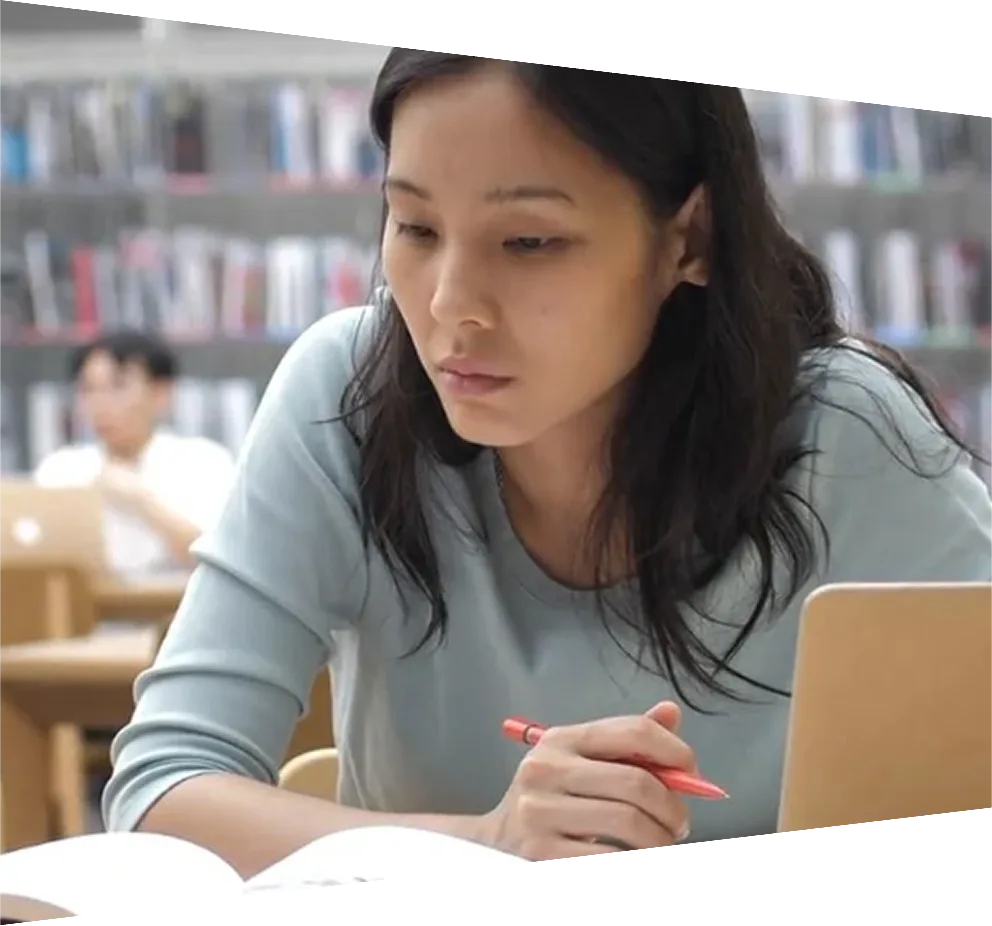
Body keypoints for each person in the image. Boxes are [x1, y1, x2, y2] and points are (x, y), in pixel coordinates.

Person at [102, 62, 992, 875]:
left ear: (690, 238)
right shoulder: (348, 397)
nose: (451, 304)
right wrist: (486, 840)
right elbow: (161, 792)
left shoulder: (842, 430)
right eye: (414, 225)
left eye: (528, 242)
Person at [34, 329, 235, 578]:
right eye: (88, 390)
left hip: (175, 610)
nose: (100, 404)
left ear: (161, 394)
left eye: (117, 386)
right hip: (87, 610)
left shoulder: (203, 461)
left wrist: (140, 500)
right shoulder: (61, 469)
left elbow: (219, 561)